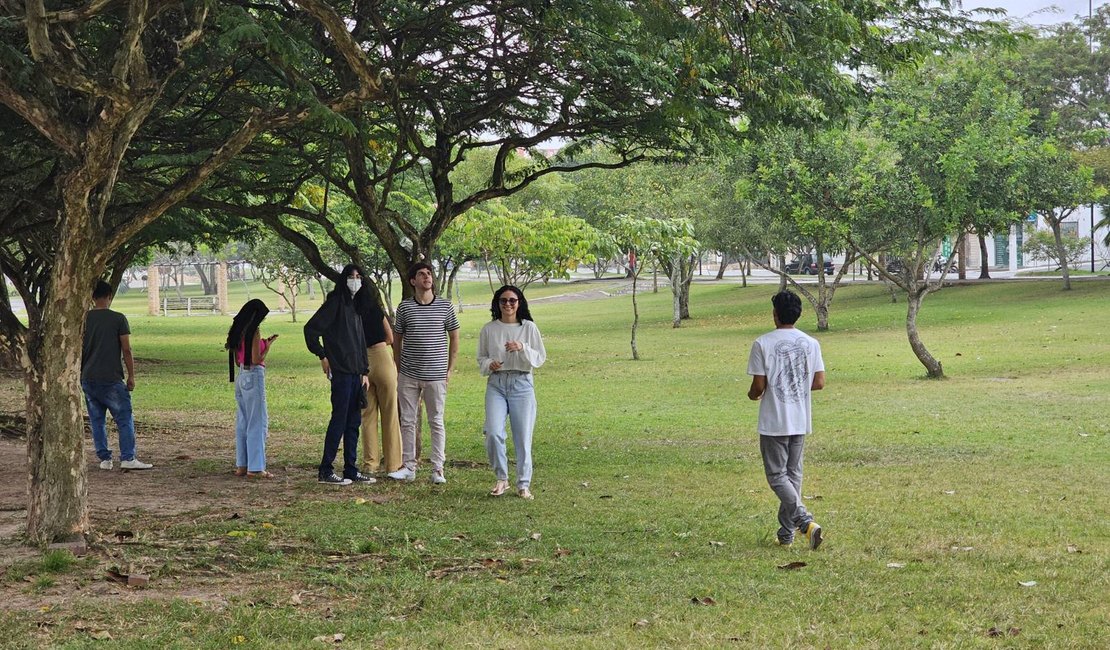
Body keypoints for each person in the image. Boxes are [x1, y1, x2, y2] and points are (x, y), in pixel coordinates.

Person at [747, 290, 826, 549]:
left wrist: (752, 395)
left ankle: (804, 522)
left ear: (775, 314)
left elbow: (758, 386)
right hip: (800, 419)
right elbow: (819, 382)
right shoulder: (811, 343)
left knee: (777, 476)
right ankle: (786, 535)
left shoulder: (762, 343)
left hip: (774, 421)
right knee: (793, 476)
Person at [387, 263, 460, 484]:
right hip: (408, 374)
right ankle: (409, 467)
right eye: (421, 274)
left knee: (436, 421)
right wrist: (399, 368)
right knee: (407, 421)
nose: (427, 277)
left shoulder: (445, 307)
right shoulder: (405, 308)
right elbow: (397, 339)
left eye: (429, 274)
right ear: (413, 281)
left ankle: (438, 469)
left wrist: (449, 369)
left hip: (436, 375)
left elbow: (454, 337)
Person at [304, 264, 375, 486]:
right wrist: (323, 356)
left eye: (358, 276)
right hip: (341, 372)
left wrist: (364, 371)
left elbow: (360, 342)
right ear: (343, 279)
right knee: (339, 420)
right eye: (351, 276)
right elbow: (311, 330)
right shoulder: (335, 303)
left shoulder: (355, 307)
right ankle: (326, 470)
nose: (355, 280)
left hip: (356, 373)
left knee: (353, 422)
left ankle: (351, 470)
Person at [477, 285, 546, 500]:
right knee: (493, 432)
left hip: (521, 383)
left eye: (512, 300)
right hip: (497, 383)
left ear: (519, 303)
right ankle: (502, 478)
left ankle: (523, 484)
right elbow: (481, 357)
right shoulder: (489, 329)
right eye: (503, 301)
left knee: (523, 436)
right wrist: (490, 364)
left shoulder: (529, 328)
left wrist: (522, 347)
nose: (508, 304)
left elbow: (540, 357)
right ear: (497, 304)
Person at [81, 280, 153, 470]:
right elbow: (126, 349)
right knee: (124, 418)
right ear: (109, 296)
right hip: (111, 378)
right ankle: (128, 457)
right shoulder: (118, 319)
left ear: (92, 297)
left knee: (97, 420)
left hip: (88, 377)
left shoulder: (83, 319)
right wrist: (131, 375)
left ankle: (104, 458)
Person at [225, 299, 276, 478]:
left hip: (241, 375)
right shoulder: (254, 331)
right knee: (257, 421)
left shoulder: (238, 330)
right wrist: (267, 347)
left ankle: (242, 465)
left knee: (243, 422)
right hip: (254, 375)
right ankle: (256, 467)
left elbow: (239, 359)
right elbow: (256, 359)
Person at [355, 287, 402, 475]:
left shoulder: (352, 312)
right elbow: (390, 337)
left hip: (362, 361)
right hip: (382, 357)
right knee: (390, 414)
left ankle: (370, 464)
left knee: (367, 416)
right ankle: (393, 465)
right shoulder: (375, 309)